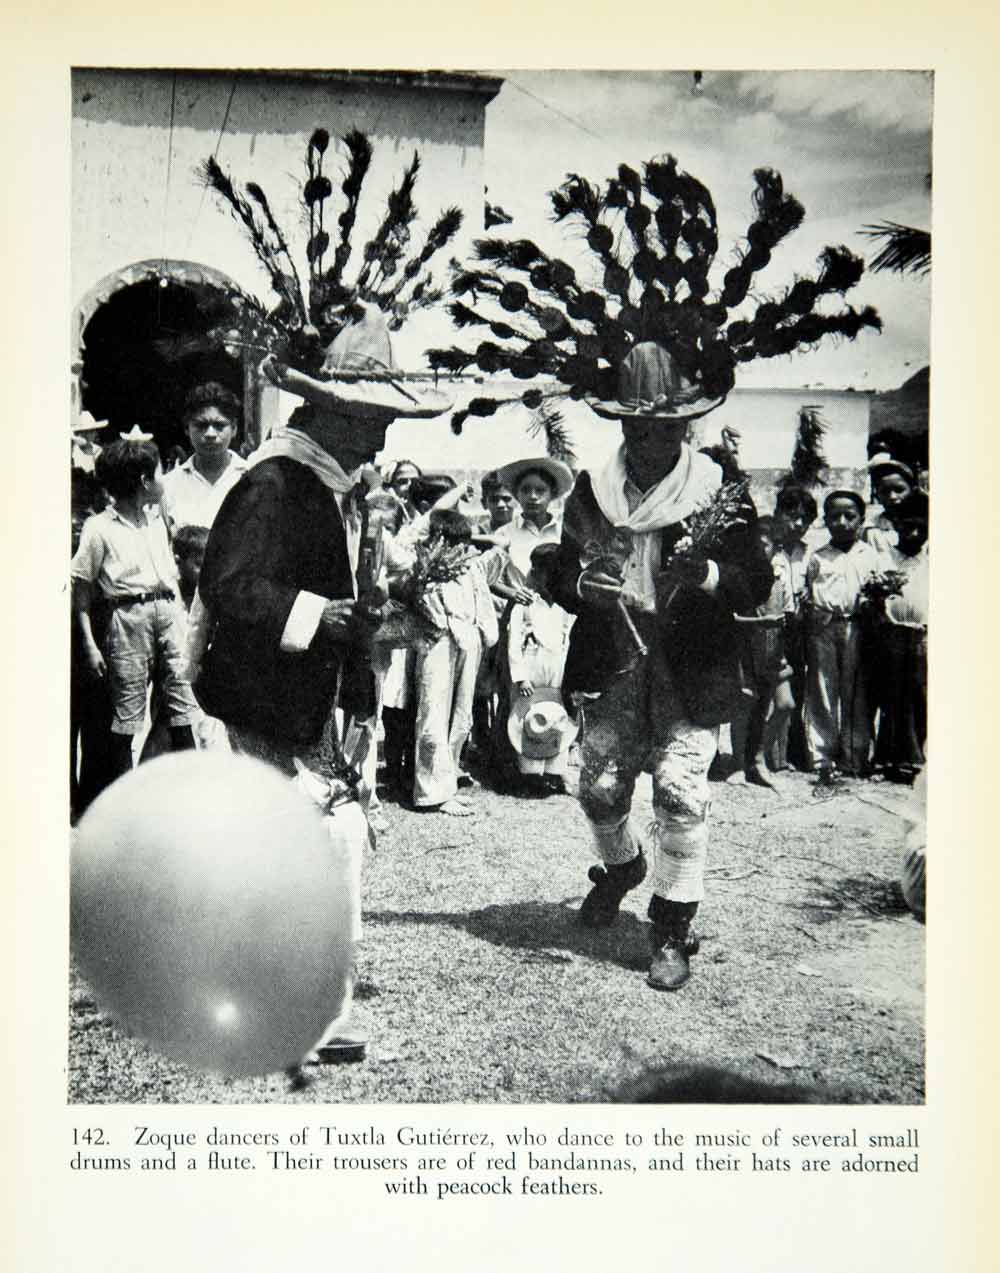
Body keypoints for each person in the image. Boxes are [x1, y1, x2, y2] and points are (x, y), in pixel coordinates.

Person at [195, 306, 453, 1062]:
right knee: (324, 837)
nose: (379, 437)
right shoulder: (276, 482)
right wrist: (319, 612)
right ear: (327, 414)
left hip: (300, 694)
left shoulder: (326, 484)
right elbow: (227, 581)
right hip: (264, 696)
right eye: (368, 420)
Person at [547, 342, 773, 992]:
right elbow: (560, 568)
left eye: (662, 427)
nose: (648, 439)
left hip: (689, 665)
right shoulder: (593, 491)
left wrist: (703, 573)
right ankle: (621, 867)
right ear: (620, 425)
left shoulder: (716, 490)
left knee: (678, 791)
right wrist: (579, 585)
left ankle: (671, 926)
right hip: (614, 659)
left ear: (683, 427)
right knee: (598, 790)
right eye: (636, 426)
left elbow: (754, 578)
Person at [71, 435, 199, 780]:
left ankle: (193, 794)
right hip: (128, 621)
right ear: (143, 482)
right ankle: (124, 798)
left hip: (169, 615)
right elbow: (81, 589)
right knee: (127, 715)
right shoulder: (99, 529)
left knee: (182, 703)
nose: (163, 480)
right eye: (158, 474)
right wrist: (90, 645)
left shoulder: (157, 521)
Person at [802, 490, 880, 781]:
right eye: (835, 516)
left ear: (861, 520)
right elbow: (808, 592)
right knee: (822, 688)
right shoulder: (819, 557)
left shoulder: (870, 555)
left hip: (857, 627)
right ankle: (822, 754)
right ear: (826, 521)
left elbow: (879, 591)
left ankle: (855, 754)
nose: (842, 522)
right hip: (822, 627)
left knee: (855, 691)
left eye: (850, 516)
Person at [504, 542, 576, 795]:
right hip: (531, 664)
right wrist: (521, 677)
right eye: (534, 569)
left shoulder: (567, 605)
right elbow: (514, 642)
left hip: (558, 667)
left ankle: (555, 772)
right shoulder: (524, 604)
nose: (535, 575)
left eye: (542, 570)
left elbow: (571, 639)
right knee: (529, 716)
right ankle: (530, 774)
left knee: (557, 716)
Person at [731, 516, 795, 789]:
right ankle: (739, 764)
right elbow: (730, 618)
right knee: (745, 707)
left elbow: (788, 615)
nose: (760, 551)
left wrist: (783, 651)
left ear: (775, 548)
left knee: (785, 704)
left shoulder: (781, 576)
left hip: (773, 651)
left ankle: (758, 757)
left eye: (765, 546)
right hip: (745, 651)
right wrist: (760, 623)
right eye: (755, 546)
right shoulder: (739, 577)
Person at [871, 490, 928, 782]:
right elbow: (873, 596)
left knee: (918, 694)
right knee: (891, 695)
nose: (914, 533)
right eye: (908, 526)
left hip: (922, 637)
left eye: (922, 527)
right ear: (897, 525)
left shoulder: (930, 559)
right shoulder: (885, 558)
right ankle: (887, 757)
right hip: (891, 635)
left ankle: (915, 757)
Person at [770, 483, 819, 771]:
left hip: (798, 630)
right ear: (778, 514)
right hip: (771, 628)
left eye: (804, 519)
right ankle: (769, 755)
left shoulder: (808, 554)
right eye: (792, 515)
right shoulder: (767, 550)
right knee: (773, 694)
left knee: (798, 690)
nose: (798, 523)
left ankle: (794, 752)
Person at [160, 382, 248, 536]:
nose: (210, 434)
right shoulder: (169, 486)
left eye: (219, 425)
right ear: (187, 429)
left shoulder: (251, 477)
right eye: (201, 425)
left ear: (234, 428)